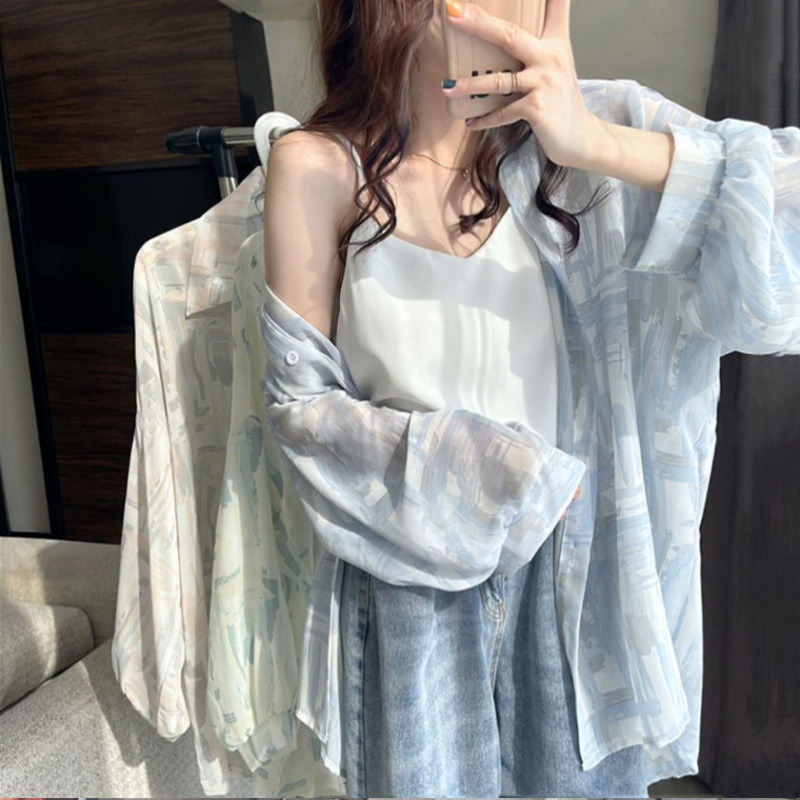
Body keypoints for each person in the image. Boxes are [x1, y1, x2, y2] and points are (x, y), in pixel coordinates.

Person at [259, 0, 800, 797]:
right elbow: (300, 412)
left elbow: (784, 223)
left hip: (579, 584)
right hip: (410, 583)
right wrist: (500, 471)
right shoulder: (318, 165)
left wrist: (592, 142)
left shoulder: (592, 136)